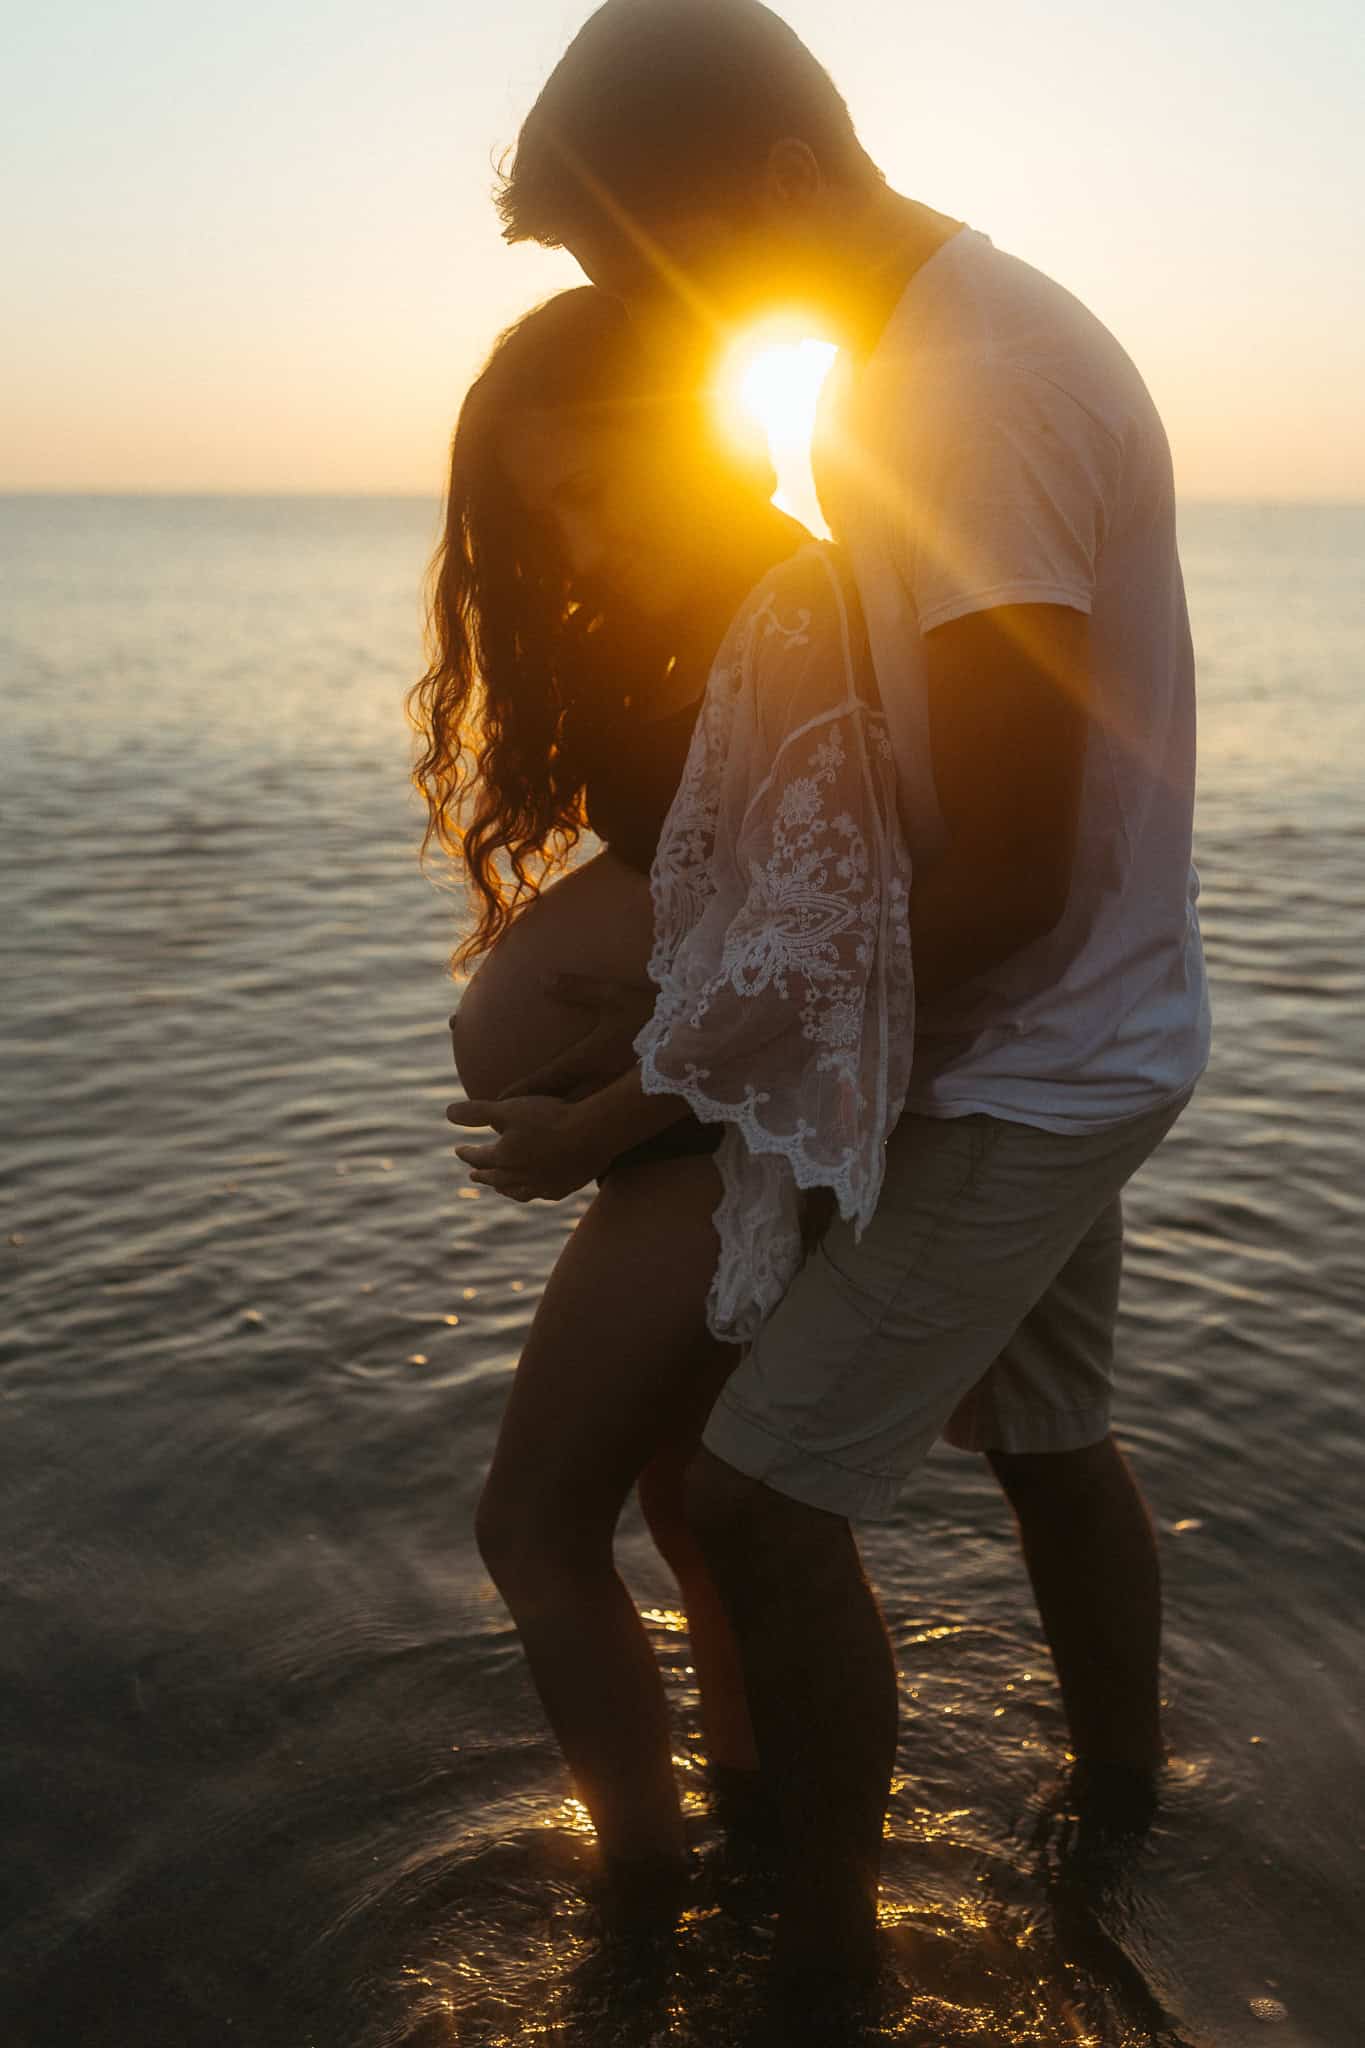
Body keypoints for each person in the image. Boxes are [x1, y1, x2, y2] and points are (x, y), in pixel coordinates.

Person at [458, 0, 1212, 2014]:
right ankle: (1128, 1807)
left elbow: (995, 874)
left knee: (755, 1499)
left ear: (782, 187)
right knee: (1049, 1442)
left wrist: (622, 1105)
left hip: (1027, 1055)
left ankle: (818, 1969)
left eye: (640, 249)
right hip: (1067, 1025)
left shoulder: (964, 385)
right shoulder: (917, 364)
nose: (640, 300)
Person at [411, 285, 910, 1928]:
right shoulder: (695, 614)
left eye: (597, 492)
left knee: (531, 1523)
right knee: (681, 1504)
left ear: (689, 447)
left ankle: (635, 1895)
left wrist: (597, 1113)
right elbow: (728, 888)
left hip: (712, 1143)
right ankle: (749, 1804)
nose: (574, 535)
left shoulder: (789, 603)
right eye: (542, 509)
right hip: (688, 1118)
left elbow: (816, 934)